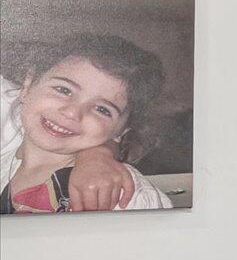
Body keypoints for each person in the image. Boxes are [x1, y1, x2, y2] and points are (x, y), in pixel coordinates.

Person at [1, 33, 173, 212]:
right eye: (63, 90)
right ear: (28, 85)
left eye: (102, 109)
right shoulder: (5, 160)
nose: (72, 112)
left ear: (122, 130)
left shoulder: (121, 193)